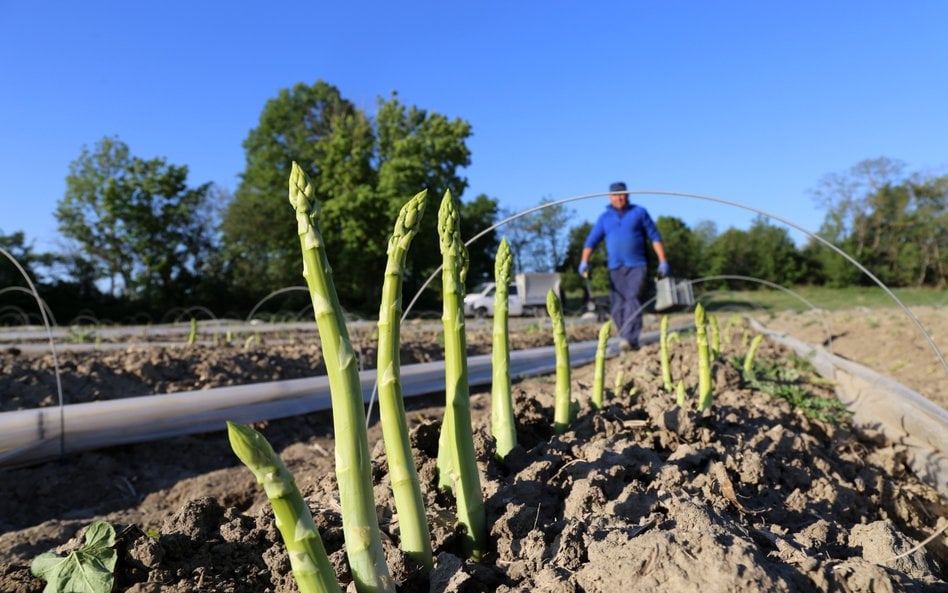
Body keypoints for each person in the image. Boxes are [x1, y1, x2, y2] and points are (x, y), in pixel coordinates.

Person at [578, 181, 670, 350]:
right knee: (617, 304)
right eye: (615, 195)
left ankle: (630, 337)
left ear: (627, 195)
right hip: (615, 267)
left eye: (622, 194)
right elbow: (591, 241)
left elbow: (655, 237)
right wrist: (584, 261)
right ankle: (626, 336)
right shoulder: (604, 217)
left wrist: (662, 260)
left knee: (632, 299)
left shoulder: (639, 213)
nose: (618, 198)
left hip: (637, 265)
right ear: (609, 197)